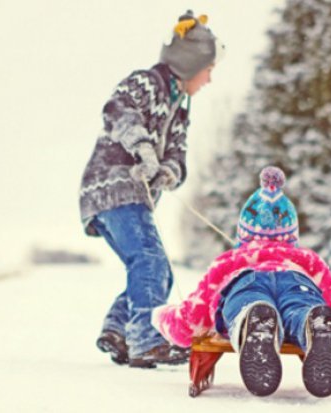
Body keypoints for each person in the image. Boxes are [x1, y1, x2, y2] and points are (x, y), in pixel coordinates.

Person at [152, 166, 331, 396]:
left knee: (245, 302)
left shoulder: (231, 260)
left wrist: (163, 317)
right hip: (296, 280)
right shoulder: (307, 259)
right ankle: (312, 322)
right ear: (292, 233)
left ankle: (253, 320)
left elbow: (193, 313)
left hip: (247, 280)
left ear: (244, 231)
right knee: (300, 306)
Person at [78, 10, 225, 369]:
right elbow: (117, 110)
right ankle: (146, 339)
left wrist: (169, 172)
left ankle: (119, 331)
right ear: (191, 63)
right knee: (149, 262)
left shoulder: (179, 109)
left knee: (157, 271)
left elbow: (177, 153)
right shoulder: (147, 84)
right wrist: (143, 148)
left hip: (129, 196)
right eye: (208, 69)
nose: (209, 79)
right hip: (113, 187)